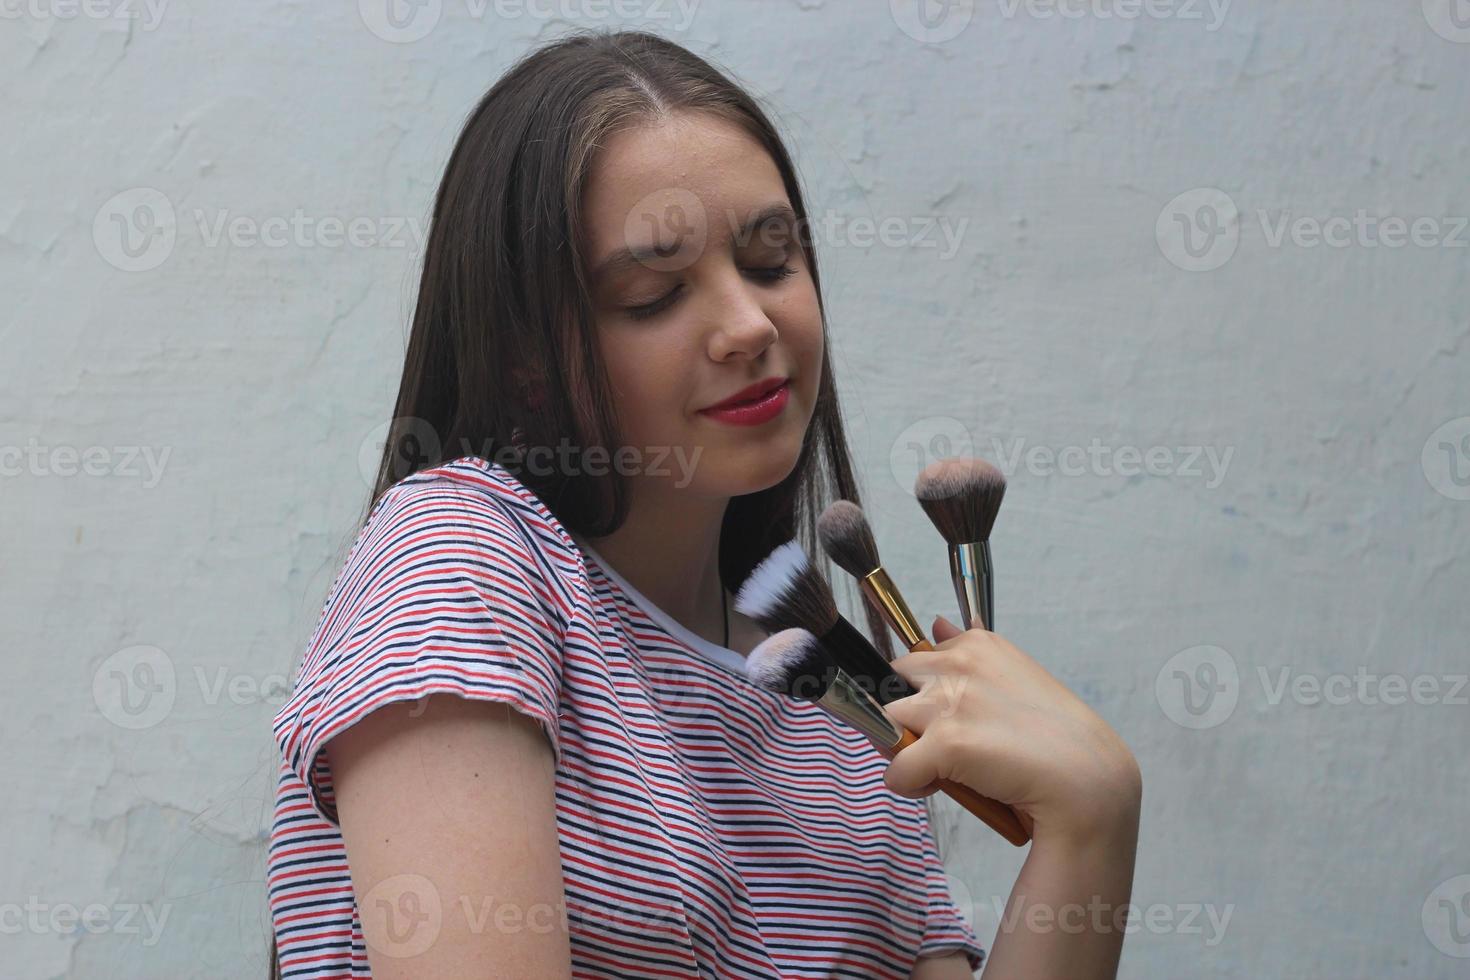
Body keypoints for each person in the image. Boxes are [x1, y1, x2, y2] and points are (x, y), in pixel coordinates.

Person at [266, 28, 1137, 980]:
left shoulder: (842, 700)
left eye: (772, 263)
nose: (750, 324)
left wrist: (1091, 825)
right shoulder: (465, 557)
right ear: (521, 358)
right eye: (652, 294)